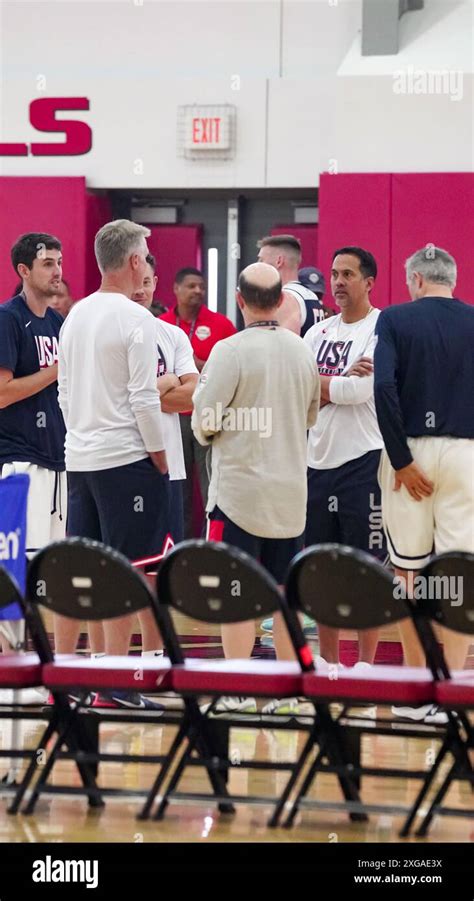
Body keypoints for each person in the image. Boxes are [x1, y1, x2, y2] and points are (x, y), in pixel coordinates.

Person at [192, 262, 320, 715]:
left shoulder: (229, 351)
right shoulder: (304, 352)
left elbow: (203, 423)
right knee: (286, 596)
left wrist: (229, 425)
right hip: (289, 497)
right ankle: (289, 693)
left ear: (240, 300)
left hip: (238, 497)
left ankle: (239, 688)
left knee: (235, 598)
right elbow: (309, 417)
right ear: (282, 301)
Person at [58, 219, 168, 710]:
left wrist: (82, 435)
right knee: (127, 573)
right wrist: (160, 460)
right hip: (127, 460)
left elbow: (63, 392)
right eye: (145, 254)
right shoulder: (135, 319)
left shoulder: (75, 314)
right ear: (133, 262)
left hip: (80, 460)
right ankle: (116, 684)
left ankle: (79, 677)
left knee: (89, 572)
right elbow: (145, 400)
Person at [374, 246, 474, 723]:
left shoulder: (394, 319)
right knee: (459, 575)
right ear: (452, 279)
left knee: (407, 574)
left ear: (414, 278)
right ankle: (451, 690)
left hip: (408, 450)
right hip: (467, 453)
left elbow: (382, 387)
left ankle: (417, 690)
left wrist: (401, 458)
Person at [304, 247, 386, 668]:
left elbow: (360, 393)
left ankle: (367, 664)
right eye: (335, 273)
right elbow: (296, 391)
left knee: (366, 570)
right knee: (321, 571)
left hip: (362, 465)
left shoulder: (381, 329)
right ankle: (329, 661)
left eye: (347, 274)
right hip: (315, 465)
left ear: (369, 282)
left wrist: (320, 389)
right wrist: (333, 386)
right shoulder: (316, 333)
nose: (337, 282)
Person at [0, 233, 69, 700]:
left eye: (59, 262)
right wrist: (54, 371)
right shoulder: (8, 319)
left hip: (59, 461)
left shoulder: (59, 322)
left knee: (51, 570)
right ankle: (8, 666)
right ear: (24, 271)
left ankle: (42, 667)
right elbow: (2, 392)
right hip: (18, 462)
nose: (57, 270)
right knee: (13, 567)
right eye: (47, 263)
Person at [160, 268, 236, 538]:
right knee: (177, 487)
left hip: (208, 415)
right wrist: (199, 368)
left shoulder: (222, 325)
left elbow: (231, 369)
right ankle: (177, 547)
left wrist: (190, 367)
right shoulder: (161, 324)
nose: (197, 291)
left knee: (211, 487)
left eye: (201, 287)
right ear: (176, 289)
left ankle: (210, 547)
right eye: (191, 286)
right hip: (173, 415)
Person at [257, 235, 323, 335]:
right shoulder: (310, 295)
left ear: (279, 261)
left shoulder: (285, 298)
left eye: (261, 260)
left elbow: (284, 346)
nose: (258, 265)